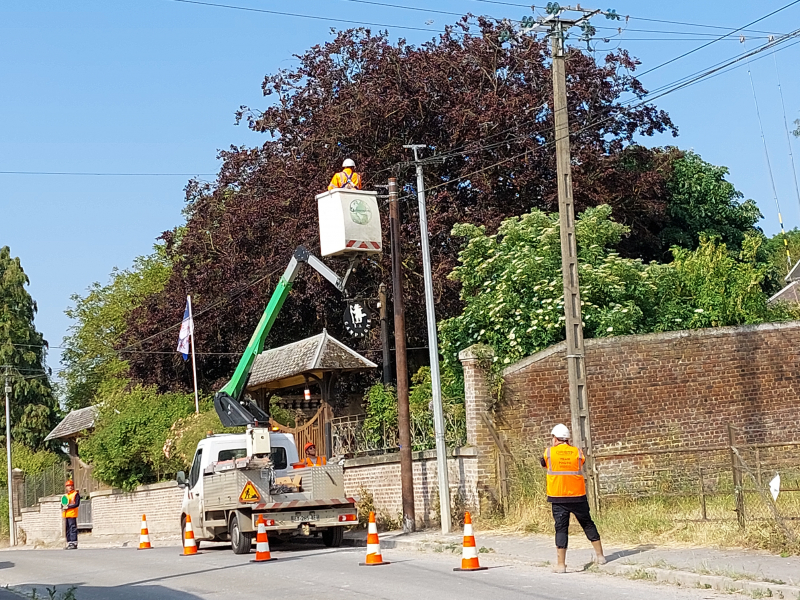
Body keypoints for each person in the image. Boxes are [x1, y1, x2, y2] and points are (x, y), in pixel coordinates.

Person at [540, 424, 605, 572]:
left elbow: (544, 463)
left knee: (561, 529)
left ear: (555, 439)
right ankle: (600, 556)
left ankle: (561, 565)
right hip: (577, 496)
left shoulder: (549, 452)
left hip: (558, 497)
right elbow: (581, 463)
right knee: (587, 523)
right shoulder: (577, 452)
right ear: (568, 439)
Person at [62, 479, 80, 550]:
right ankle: (69, 542)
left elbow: (76, 504)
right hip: (66, 514)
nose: (70, 487)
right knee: (67, 529)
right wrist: (63, 507)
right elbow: (63, 504)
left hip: (72, 514)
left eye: (71, 486)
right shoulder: (65, 495)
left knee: (72, 528)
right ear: (66, 487)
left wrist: (68, 506)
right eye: (68, 486)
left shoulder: (75, 494)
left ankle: (74, 542)